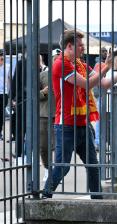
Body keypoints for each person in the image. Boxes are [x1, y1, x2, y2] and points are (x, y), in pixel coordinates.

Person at [43, 30, 117, 199]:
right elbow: (87, 84)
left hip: (82, 124)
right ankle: (45, 194)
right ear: (69, 46)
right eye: (80, 45)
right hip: (66, 125)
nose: (83, 48)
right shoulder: (61, 64)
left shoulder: (81, 65)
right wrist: (106, 66)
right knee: (63, 166)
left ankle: (97, 199)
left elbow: (105, 84)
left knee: (93, 165)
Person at [38, 49, 60, 181]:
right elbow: (33, 95)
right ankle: (47, 169)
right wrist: (43, 92)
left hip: (61, 116)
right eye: (55, 58)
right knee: (43, 146)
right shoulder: (43, 75)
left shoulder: (67, 75)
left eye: (60, 58)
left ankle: (57, 171)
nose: (57, 60)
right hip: (44, 115)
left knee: (59, 146)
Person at [0, 51, 10, 141]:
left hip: (4, 93)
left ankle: (0, 132)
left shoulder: (7, 67)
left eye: (2, 58)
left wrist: (10, 91)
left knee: (1, 113)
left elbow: (9, 79)